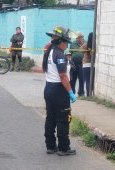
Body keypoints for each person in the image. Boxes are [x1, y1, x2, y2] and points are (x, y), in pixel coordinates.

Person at [42, 26, 77, 156]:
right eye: (66, 42)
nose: (67, 45)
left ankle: (50, 146)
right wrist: (70, 92)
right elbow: (63, 76)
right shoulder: (59, 54)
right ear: (61, 41)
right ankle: (63, 148)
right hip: (59, 91)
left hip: (49, 88)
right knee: (63, 119)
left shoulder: (50, 52)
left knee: (50, 118)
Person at [70, 32, 85, 96]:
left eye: (79, 38)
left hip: (82, 63)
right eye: (77, 38)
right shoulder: (73, 44)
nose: (78, 39)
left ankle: (81, 93)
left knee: (81, 78)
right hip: (74, 62)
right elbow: (70, 53)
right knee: (73, 78)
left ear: (82, 37)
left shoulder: (85, 43)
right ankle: (72, 92)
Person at [81, 32, 93, 96]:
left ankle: (88, 95)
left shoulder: (86, 44)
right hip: (93, 64)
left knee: (87, 80)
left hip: (86, 64)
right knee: (92, 81)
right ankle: (92, 94)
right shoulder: (95, 44)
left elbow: (81, 49)